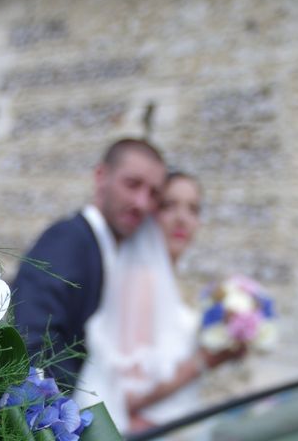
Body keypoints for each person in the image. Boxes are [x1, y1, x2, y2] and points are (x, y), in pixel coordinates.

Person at [74, 172, 244, 433]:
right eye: (168, 205)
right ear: (151, 214)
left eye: (193, 209)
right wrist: (204, 361)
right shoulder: (141, 280)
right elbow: (127, 398)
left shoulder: (170, 285)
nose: (182, 218)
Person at [12, 138, 167, 388]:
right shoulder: (68, 239)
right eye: (132, 184)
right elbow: (32, 338)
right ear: (101, 176)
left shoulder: (111, 254)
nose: (142, 203)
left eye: (153, 194)